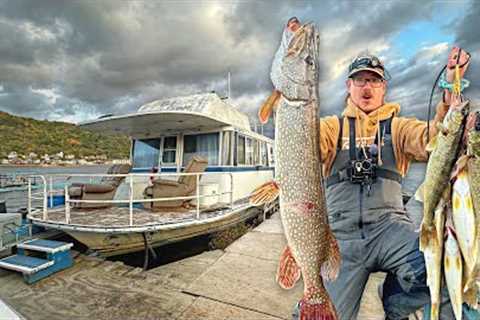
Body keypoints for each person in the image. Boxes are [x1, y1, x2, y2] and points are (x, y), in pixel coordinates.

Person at [287, 45, 474, 319]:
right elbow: (301, 143)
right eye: (361, 79)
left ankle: (396, 304)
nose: (367, 87)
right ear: (349, 86)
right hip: (340, 239)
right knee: (320, 311)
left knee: (442, 265)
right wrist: (292, 96)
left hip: (390, 228)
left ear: (383, 87)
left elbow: (438, 139)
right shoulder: (331, 128)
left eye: (374, 80)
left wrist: (450, 87)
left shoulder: (399, 128)